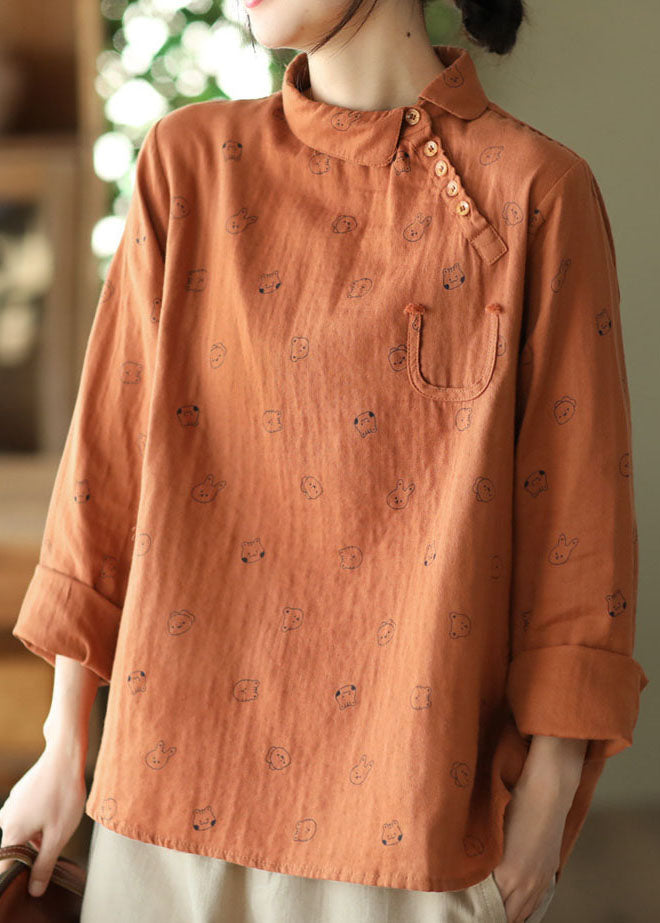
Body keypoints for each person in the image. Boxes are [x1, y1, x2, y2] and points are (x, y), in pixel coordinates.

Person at [0, 1, 649, 921]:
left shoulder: (537, 189)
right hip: (166, 798)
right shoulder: (191, 160)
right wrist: (65, 743)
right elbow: (105, 470)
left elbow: (579, 523)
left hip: (413, 818)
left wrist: (547, 798)